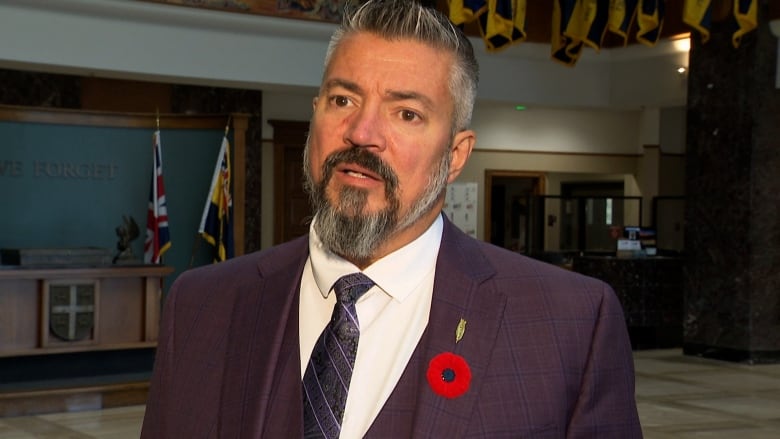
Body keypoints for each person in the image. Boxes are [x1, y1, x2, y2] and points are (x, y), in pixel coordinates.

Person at [140, 0, 642, 437]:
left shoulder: (570, 324)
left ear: (457, 154)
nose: (362, 132)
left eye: (407, 113)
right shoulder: (202, 305)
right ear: (315, 116)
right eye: (343, 100)